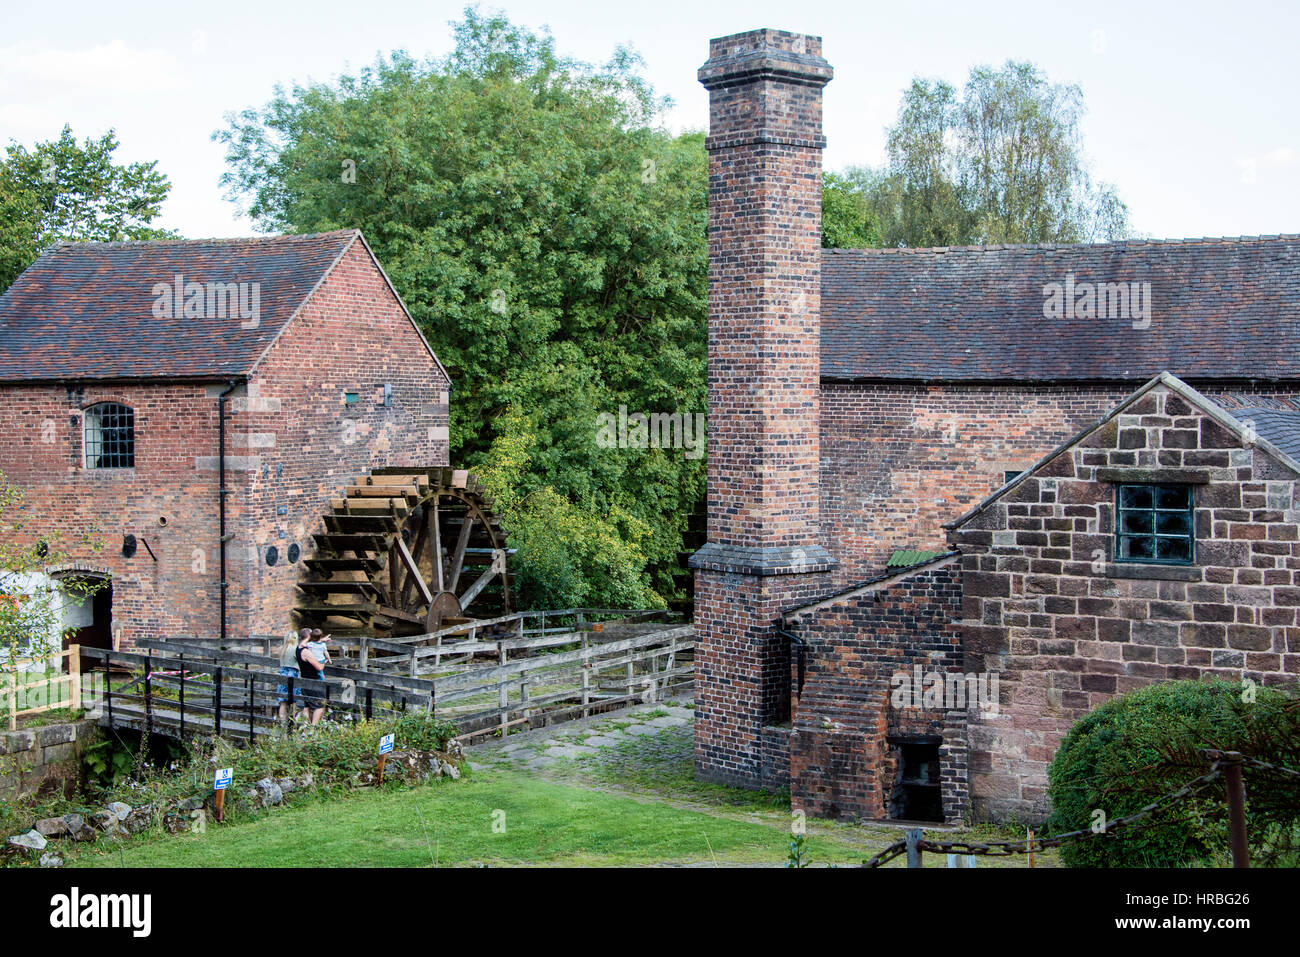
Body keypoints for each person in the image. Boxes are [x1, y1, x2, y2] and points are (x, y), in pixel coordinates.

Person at [296, 629, 329, 726]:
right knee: (320, 706)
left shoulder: (299, 648)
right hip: (313, 681)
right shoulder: (306, 652)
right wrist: (324, 661)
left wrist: (322, 640)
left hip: (304, 680)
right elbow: (318, 667)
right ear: (309, 636)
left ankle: (305, 731)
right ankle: (313, 729)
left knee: (307, 706)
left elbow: (312, 643)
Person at [276, 629, 309, 724]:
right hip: (293, 674)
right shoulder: (295, 649)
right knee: (293, 702)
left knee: (283, 703)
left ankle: (282, 724)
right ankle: (293, 723)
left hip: (283, 674)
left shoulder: (281, 648)